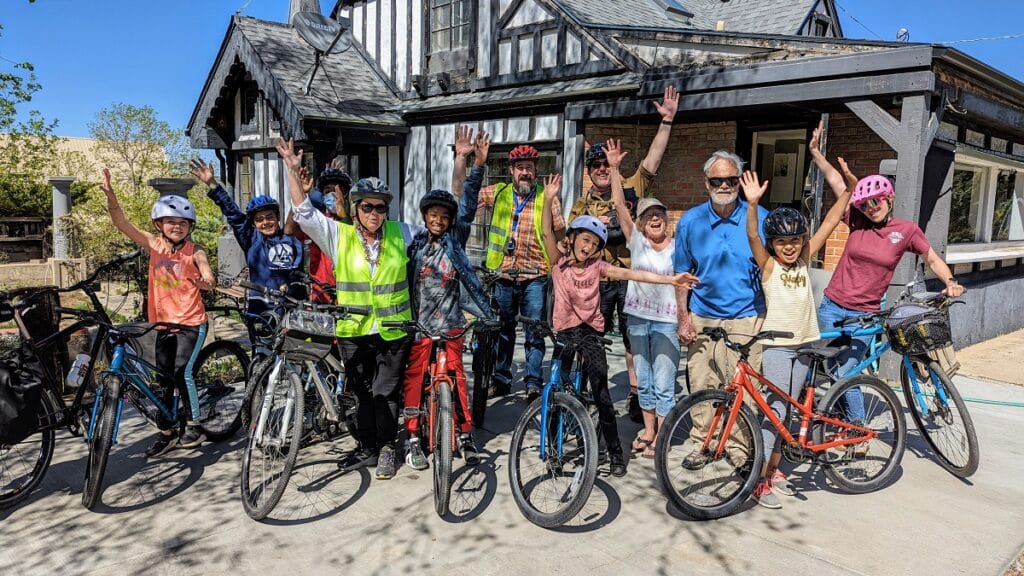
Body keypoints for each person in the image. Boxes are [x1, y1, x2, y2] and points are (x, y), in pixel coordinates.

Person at [278, 138, 417, 481]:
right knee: (363, 394)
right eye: (367, 207)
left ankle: (387, 447)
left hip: (393, 329)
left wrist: (461, 167)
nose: (374, 214)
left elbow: (443, 225)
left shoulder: (404, 233)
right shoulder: (338, 236)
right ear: (355, 209)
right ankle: (368, 446)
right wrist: (292, 172)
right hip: (354, 330)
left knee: (386, 393)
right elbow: (304, 214)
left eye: (380, 208)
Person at [542, 174, 698, 477]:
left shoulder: (599, 268)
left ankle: (614, 453)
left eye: (594, 243)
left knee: (601, 395)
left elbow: (635, 275)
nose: (588, 247)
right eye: (584, 240)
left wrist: (670, 279)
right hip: (563, 333)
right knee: (555, 389)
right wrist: (549, 200)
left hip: (590, 335)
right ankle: (551, 445)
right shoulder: (558, 263)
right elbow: (547, 231)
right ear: (573, 239)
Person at [739, 120, 856, 509]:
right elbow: (753, 237)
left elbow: (830, 220)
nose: (788, 248)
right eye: (782, 243)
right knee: (774, 413)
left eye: (794, 242)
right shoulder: (770, 265)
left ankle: (777, 473)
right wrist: (753, 205)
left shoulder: (804, 261)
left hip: (807, 345)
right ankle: (760, 481)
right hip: (777, 348)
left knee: (792, 413)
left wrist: (849, 188)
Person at [817, 154, 966, 427]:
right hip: (832, 306)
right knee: (830, 367)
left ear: (889, 198)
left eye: (876, 201)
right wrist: (816, 153)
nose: (870, 207)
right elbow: (838, 184)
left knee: (847, 369)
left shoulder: (906, 231)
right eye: (864, 204)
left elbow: (931, 258)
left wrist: (950, 282)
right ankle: (835, 416)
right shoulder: (856, 221)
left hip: (865, 314)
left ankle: (856, 427)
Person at [569, 86, 681, 421]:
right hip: (600, 279)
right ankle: (591, 390)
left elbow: (653, 160)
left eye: (606, 164)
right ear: (589, 172)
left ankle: (637, 396)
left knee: (634, 342)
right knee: (591, 335)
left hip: (633, 278)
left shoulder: (630, 184)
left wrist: (666, 123)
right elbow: (573, 240)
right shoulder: (582, 203)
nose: (602, 169)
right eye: (596, 165)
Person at [100, 168, 214, 457]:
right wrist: (111, 197)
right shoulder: (154, 244)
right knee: (163, 377)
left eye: (182, 223)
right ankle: (167, 431)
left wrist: (204, 281)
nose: (177, 227)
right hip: (162, 324)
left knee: (182, 372)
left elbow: (209, 278)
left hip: (191, 322)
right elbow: (121, 223)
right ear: (159, 224)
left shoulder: (195, 251)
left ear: (190, 226)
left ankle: (195, 425)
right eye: (170, 222)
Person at [403, 127, 495, 471]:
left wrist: (477, 165)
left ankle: (466, 434)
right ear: (425, 217)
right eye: (433, 215)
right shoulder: (415, 246)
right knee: (414, 380)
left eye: (444, 216)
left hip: (453, 326)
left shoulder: (455, 240)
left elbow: (466, 200)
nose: (439, 220)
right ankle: (413, 437)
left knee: (457, 378)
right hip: (421, 327)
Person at [673, 150, 768, 468]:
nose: (724, 185)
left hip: (747, 316)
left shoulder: (760, 217)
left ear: (740, 181)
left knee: (745, 389)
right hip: (703, 315)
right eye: (717, 180)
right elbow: (681, 276)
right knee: (703, 384)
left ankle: (741, 450)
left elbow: (777, 268)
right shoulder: (690, 221)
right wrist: (683, 319)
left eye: (731, 179)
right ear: (706, 182)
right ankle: (704, 442)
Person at [604, 139, 678, 459]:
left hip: (666, 323)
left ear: (666, 218)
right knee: (645, 379)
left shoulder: (679, 246)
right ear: (643, 223)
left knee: (664, 381)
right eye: (648, 216)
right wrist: (615, 169)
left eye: (658, 214)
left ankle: (663, 434)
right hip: (638, 318)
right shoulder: (638, 242)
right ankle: (648, 430)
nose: (654, 219)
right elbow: (620, 206)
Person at [477, 144, 565, 400]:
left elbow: (560, 235)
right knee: (503, 331)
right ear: (511, 171)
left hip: (534, 276)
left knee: (534, 332)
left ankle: (533, 381)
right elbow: (463, 195)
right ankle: (502, 378)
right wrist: (468, 163)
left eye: (529, 168)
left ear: (536, 171)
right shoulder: (499, 192)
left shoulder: (546, 196)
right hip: (503, 275)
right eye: (520, 168)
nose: (525, 172)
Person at [189, 160, 305, 335]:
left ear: (277, 217)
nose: (265, 222)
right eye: (259, 219)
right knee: (263, 357)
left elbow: (300, 210)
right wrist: (212, 184)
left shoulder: (291, 238)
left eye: (269, 217)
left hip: (294, 308)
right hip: (262, 308)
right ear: (254, 224)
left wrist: (303, 188)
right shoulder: (251, 239)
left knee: (300, 356)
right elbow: (233, 213)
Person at [284, 165, 353, 303]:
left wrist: (344, 216)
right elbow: (289, 230)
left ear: (345, 194)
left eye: (337, 190)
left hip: (347, 294)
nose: (333, 194)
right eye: (328, 191)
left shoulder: (357, 222)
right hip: (320, 293)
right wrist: (301, 198)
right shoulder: (319, 222)